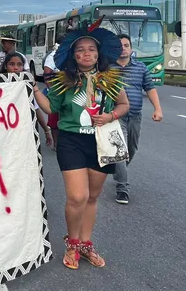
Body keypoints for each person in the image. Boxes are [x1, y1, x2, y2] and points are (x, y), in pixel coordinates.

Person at [32, 19, 129, 270]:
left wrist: (110, 116)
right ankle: (72, 243)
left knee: (92, 197)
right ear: (73, 56)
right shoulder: (65, 81)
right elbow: (50, 108)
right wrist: (34, 90)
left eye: (91, 49)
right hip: (72, 141)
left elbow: (123, 105)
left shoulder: (110, 79)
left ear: (98, 54)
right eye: (80, 50)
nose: (86, 53)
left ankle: (86, 244)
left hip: (101, 142)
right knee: (77, 196)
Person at [112, 34, 163, 204]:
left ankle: (120, 171)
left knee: (131, 149)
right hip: (116, 116)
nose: (123, 48)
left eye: (126, 45)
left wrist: (158, 109)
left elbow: (150, 88)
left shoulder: (140, 67)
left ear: (131, 48)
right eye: (120, 46)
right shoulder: (107, 68)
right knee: (120, 151)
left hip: (135, 116)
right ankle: (122, 188)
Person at [1, 52, 52, 148]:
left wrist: (46, 130)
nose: (15, 68)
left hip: (22, 131)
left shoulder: (27, 87)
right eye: (12, 64)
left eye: (19, 65)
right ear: (5, 66)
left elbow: (35, 109)